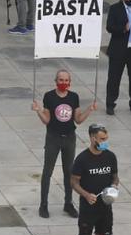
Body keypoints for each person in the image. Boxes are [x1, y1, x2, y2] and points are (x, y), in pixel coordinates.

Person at [32, 69, 95, 218]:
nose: (63, 83)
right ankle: (43, 205)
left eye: (66, 80)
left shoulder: (73, 97)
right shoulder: (49, 96)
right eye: (61, 80)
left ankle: (68, 203)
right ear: (56, 81)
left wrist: (89, 110)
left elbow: (78, 119)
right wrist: (38, 110)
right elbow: (46, 120)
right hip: (53, 137)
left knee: (69, 172)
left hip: (69, 138)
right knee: (48, 171)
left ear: (70, 82)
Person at [70, 124, 116, 235]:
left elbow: (115, 177)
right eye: (102, 139)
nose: (105, 142)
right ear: (92, 138)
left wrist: (113, 188)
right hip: (88, 207)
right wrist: (86, 195)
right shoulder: (82, 159)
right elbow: (74, 182)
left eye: (106, 139)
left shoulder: (110, 157)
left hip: (105, 205)